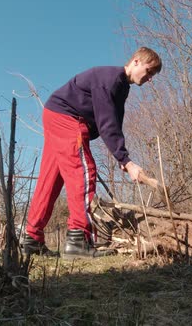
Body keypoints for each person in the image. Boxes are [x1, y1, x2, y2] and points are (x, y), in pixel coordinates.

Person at [21, 47, 162, 258]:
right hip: (67, 117)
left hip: (55, 115)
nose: (149, 79)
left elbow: (115, 122)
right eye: (149, 71)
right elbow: (106, 124)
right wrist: (126, 159)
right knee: (83, 172)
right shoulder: (110, 79)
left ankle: (32, 239)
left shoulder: (122, 87)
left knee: (51, 179)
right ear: (135, 62)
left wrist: (122, 160)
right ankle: (78, 238)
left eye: (153, 76)